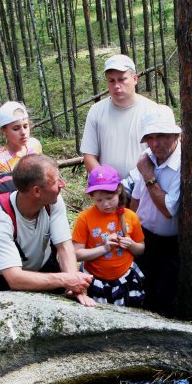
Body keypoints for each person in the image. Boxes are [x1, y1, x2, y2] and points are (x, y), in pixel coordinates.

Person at [0, 154, 95, 306]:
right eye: (56, 181)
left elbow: (63, 246)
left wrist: (75, 286)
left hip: (45, 264)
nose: (63, 184)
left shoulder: (53, 200)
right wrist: (65, 279)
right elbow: (14, 278)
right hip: (8, 277)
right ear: (37, 191)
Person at [127, 105, 181, 317]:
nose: (155, 143)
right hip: (142, 236)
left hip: (170, 244)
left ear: (175, 135)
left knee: (165, 298)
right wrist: (129, 230)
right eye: (150, 137)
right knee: (142, 290)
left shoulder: (183, 162)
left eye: (161, 136)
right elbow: (136, 198)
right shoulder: (148, 156)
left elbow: (169, 209)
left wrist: (149, 175)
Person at [72, 165, 146, 307]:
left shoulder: (130, 216)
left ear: (118, 190)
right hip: (95, 279)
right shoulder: (85, 218)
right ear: (91, 196)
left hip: (125, 278)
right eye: (99, 200)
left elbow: (141, 249)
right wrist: (104, 249)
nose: (105, 204)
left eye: (110, 198)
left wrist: (131, 245)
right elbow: (76, 254)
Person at [80, 54, 158, 185]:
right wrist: (109, 187)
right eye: (111, 81)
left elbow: (163, 154)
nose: (117, 85)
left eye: (122, 79)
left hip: (145, 189)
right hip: (109, 194)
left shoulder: (152, 110)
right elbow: (89, 156)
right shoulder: (96, 111)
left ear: (134, 79)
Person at [0, 101, 43, 172]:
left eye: (25, 126)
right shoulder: (1, 161)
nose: (23, 132)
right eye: (16, 129)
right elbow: (5, 182)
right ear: (4, 130)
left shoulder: (35, 145)